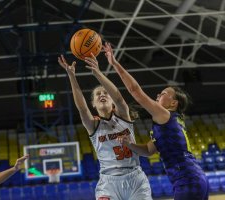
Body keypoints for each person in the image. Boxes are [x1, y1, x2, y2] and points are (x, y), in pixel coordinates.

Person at [102, 42, 209, 200]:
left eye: (164, 93)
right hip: (193, 178)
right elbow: (149, 150)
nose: (158, 95)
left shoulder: (165, 115)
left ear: (174, 103)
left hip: (187, 180)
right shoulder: (169, 122)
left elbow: (135, 91)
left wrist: (115, 64)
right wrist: (129, 144)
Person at [58, 51, 152, 200]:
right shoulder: (94, 125)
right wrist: (71, 76)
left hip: (135, 179)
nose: (102, 95)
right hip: (108, 183)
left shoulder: (123, 116)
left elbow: (119, 98)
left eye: (105, 93)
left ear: (112, 101)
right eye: (98, 94)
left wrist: (97, 72)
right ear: (93, 104)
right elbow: (82, 108)